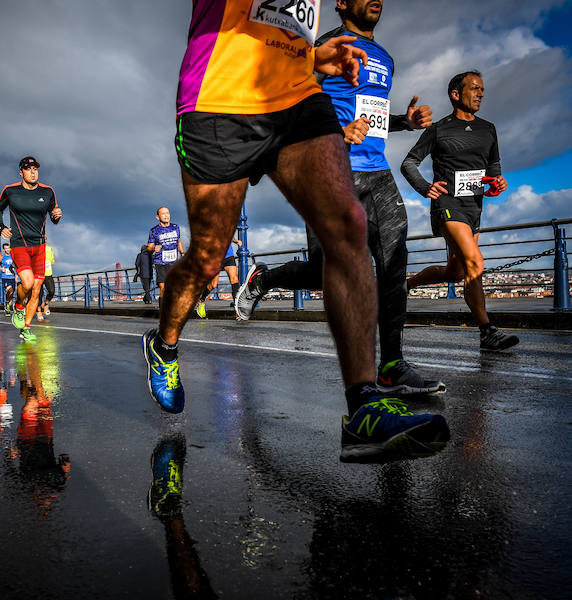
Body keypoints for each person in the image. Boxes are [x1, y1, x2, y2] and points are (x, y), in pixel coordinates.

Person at [143, 0, 449, 462]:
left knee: (348, 228)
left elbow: (280, 22)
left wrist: (311, 59)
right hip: (219, 98)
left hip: (296, 96)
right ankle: (163, 344)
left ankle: (363, 405)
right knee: (209, 256)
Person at [233, 0, 444, 396]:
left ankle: (392, 367)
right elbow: (287, 102)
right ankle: (265, 278)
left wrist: (405, 122)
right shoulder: (322, 47)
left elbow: (372, 112)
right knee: (324, 271)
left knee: (394, 264)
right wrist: (334, 129)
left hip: (378, 174)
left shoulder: (385, 57)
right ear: (341, 3)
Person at [402, 70, 517, 351]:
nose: (481, 94)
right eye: (475, 88)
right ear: (456, 94)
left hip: (474, 207)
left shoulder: (488, 129)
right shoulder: (440, 129)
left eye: (482, 90)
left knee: (454, 272)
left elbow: (494, 167)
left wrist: (498, 181)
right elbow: (408, 162)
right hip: (447, 205)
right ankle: (486, 331)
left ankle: (406, 284)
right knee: (475, 263)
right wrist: (425, 187)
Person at [0, 155, 62, 342]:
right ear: (21, 172)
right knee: (28, 283)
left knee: (37, 290)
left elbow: (53, 215)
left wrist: (57, 215)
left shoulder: (48, 192)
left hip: (39, 245)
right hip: (19, 244)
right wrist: (1, 227)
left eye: (35, 169)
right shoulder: (10, 191)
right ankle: (18, 305)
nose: (33, 172)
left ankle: (26, 328)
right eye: (29, 169)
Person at [146, 207, 183, 306]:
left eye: (168, 213)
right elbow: (149, 248)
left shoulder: (176, 227)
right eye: (163, 214)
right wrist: (154, 248)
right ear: (158, 217)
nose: (166, 215)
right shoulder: (154, 230)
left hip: (174, 262)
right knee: (163, 288)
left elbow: (179, 242)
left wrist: (182, 253)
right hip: (161, 263)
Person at [197, 238, 241, 317]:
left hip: (229, 256)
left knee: (234, 280)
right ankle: (201, 300)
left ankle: (237, 310)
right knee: (213, 285)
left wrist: (236, 241)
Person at [36, 238, 56, 321]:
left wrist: (53, 261)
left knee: (52, 291)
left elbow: (52, 260)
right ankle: (39, 311)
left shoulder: (50, 249)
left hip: (48, 274)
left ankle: (46, 303)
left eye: (45, 239)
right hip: (38, 274)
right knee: (39, 294)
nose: (44, 240)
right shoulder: (36, 249)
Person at [0, 243, 16, 314]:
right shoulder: (2, 258)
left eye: (8, 248)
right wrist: (1, 268)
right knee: (10, 291)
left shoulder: (13, 257)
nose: (7, 250)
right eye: (6, 248)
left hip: (13, 277)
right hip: (5, 277)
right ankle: (7, 304)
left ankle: (8, 304)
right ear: (4, 249)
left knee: (12, 293)